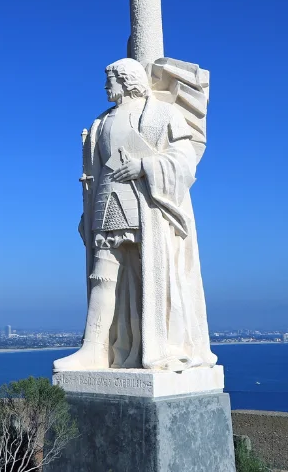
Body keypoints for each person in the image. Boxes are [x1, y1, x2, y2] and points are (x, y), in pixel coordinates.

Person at [53, 57, 216, 372]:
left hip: (146, 208)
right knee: (102, 276)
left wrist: (144, 166)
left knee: (148, 278)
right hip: (105, 203)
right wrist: (86, 215)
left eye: (109, 80)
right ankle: (94, 348)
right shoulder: (101, 122)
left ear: (126, 80)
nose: (105, 86)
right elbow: (95, 173)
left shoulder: (162, 114)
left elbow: (185, 160)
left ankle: (153, 344)